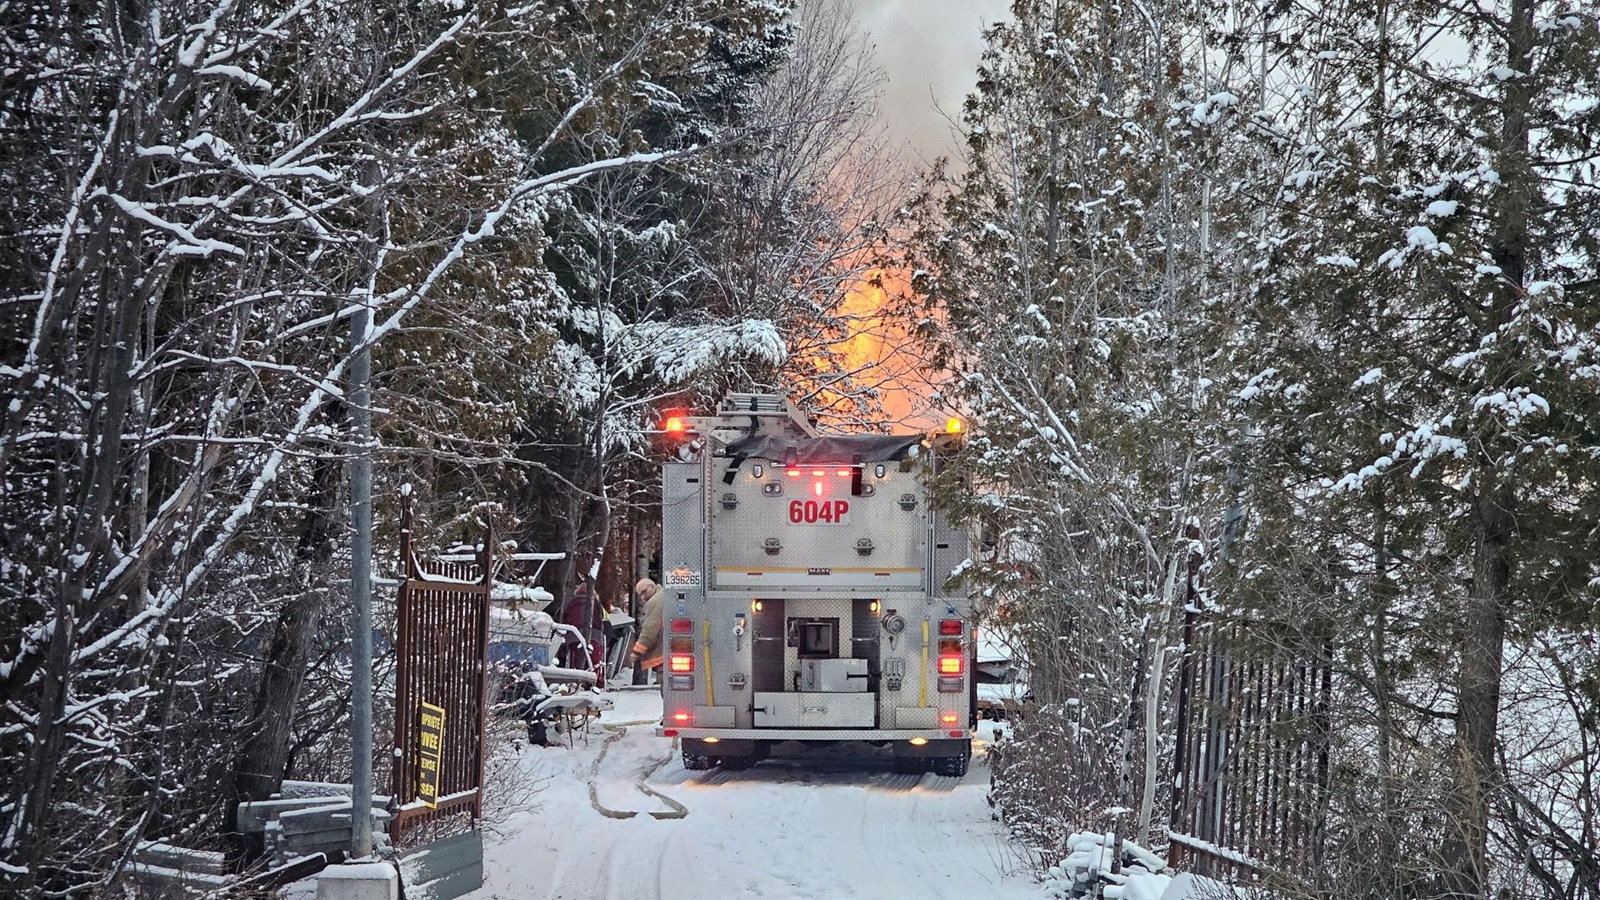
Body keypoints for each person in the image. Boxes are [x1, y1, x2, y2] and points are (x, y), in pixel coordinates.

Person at [628, 578, 664, 684]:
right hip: (672, 648)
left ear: (651, 587)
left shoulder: (655, 601)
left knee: (665, 685)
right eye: (640, 594)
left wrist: (637, 651)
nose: (643, 597)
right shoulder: (663, 596)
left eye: (644, 592)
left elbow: (650, 629)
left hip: (664, 651)